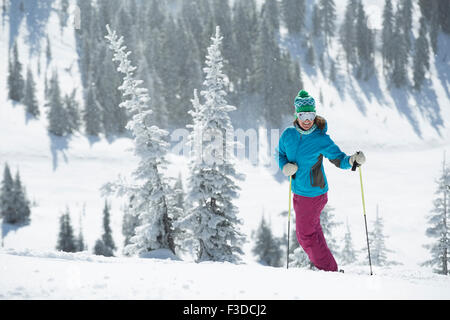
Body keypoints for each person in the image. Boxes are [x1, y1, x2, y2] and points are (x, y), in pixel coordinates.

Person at [277, 89, 366, 272]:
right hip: (299, 193)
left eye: (310, 114)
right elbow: (280, 154)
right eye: (303, 114)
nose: (307, 119)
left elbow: (339, 159)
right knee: (312, 232)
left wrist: (352, 160)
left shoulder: (321, 139)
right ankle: (329, 267)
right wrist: (284, 166)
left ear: (315, 114)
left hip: (314, 194)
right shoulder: (288, 135)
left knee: (305, 236)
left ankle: (328, 270)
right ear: (297, 115)